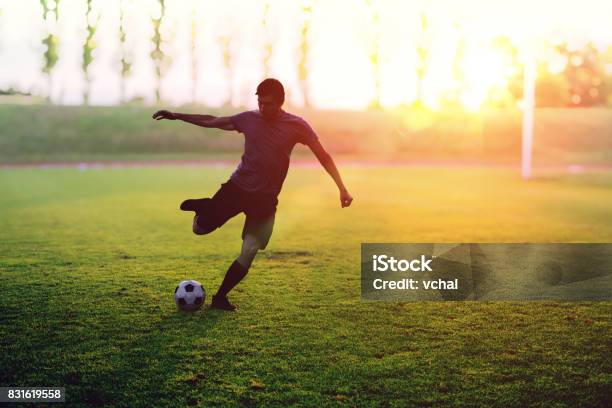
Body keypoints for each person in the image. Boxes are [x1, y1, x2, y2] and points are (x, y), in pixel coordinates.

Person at [152, 78, 353, 311]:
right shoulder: (249, 119)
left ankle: (220, 298)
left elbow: (323, 156)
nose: (262, 108)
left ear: (280, 102)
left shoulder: (297, 125)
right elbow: (213, 121)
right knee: (198, 229)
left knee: (249, 251)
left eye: (267, 104)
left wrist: (342, 187)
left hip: (265, 200)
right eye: (259, 102)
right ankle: (206, 207)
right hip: (237, 188)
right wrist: (177, 115)